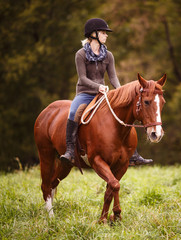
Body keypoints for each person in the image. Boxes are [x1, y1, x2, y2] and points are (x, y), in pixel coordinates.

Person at [60, 18, 152, 166]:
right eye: (103, 32)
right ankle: (70, 151)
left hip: (103, 95)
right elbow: (82, 78)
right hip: (84, 94)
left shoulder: (108, 55)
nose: (106, 35)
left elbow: (113, 76)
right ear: (93, 34)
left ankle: (133, 154)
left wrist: (121, 91)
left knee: (125, 112)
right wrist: (98, 87)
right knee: (72, 113)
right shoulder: (80, 54)